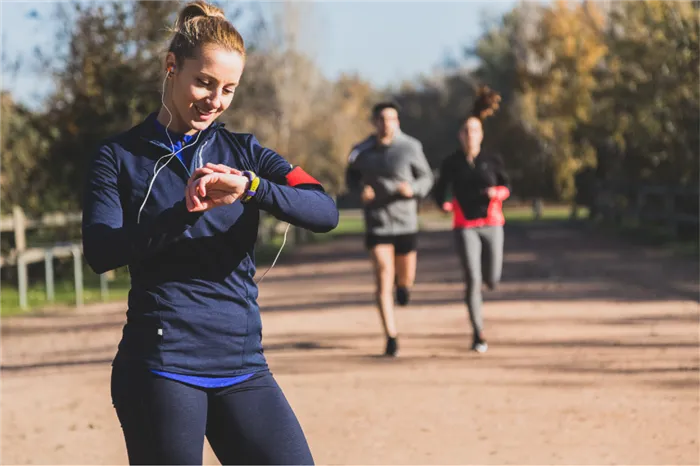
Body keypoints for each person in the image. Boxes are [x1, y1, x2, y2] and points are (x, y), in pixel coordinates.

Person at [81, 2, 338, 464]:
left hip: (243, 367)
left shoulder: (246, 153)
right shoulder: (118, 156)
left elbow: (323, 209)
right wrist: (183, 213)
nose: (214, 100)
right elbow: (101, 250)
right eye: (204, 82)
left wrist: (252, 188)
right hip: (161, 368)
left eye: (228, 90)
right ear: (171, 67)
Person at [346, 101, 434, 357]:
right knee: (384, 273)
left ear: (397, 122)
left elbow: (427, 178)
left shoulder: (411, 147)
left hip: (405, 221)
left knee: (405, 277)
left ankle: (404, 287)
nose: (387, 123)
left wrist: (413, 190)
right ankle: (391, 336)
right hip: (377, 220)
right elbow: (350, 177)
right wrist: (360, 190)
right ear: (374, 122)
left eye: (392, 118)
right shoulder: (360, 151)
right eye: (382, 119)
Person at [433, 86, 510, 354]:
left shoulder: (492, 159)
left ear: (481, 134)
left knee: (493, 278)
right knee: (473, 279)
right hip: (465, 225)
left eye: (475, 130)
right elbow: (439, 189)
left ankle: (490, 283)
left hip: (492, 222)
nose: (470, 135)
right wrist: (443, 202)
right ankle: (478, 333)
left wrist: (496, 193)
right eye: (466, 131)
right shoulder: (452, 163)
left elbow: (507, 187)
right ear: (460, 135)